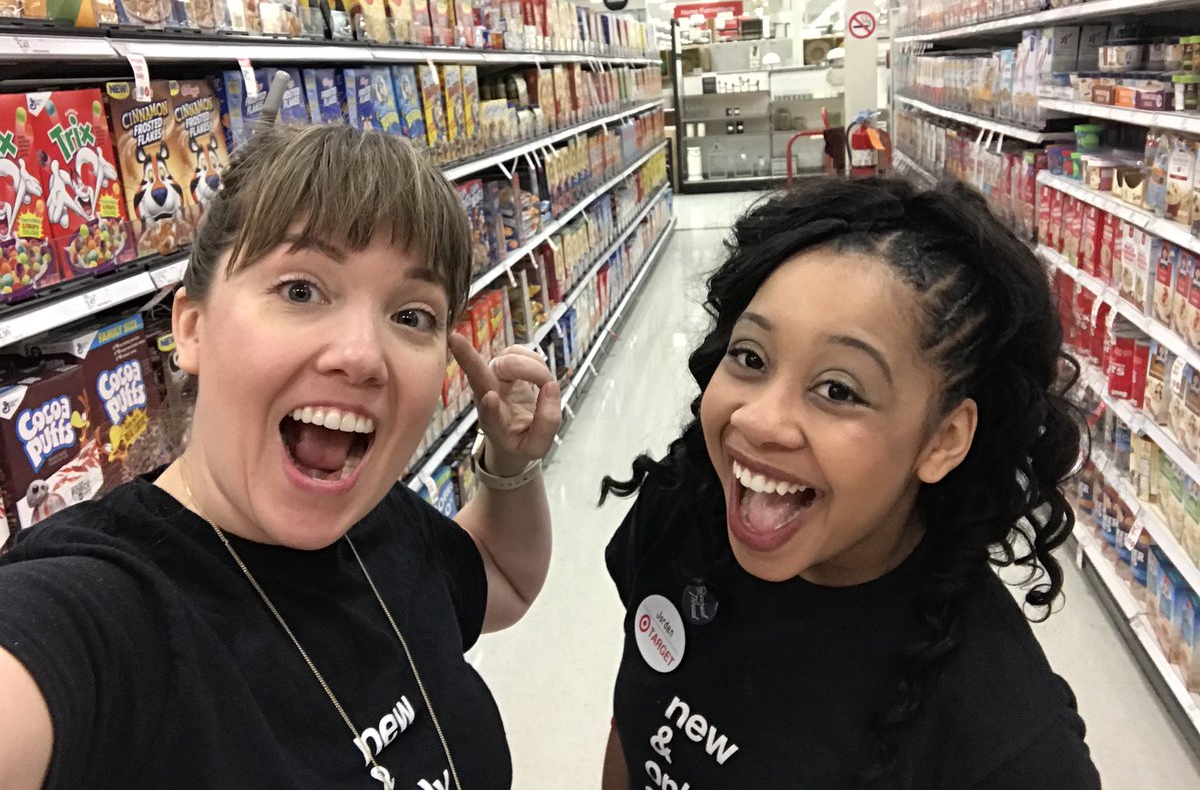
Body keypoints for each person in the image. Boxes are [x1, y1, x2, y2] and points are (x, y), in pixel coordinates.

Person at [0, 124, 560, 790]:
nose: (361, 355)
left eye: (411, 316)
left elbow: (506, 577)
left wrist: (510, 462)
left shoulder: (388, 526)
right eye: (301, 290)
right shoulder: (96, 612)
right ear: (192, 327)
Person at [600, 177, 1102, 789]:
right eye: (752, 358)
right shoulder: (680, 512)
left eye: (838, 389)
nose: (757, 421)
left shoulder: (1008, 748)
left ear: (944, 439)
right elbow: (632, 723)